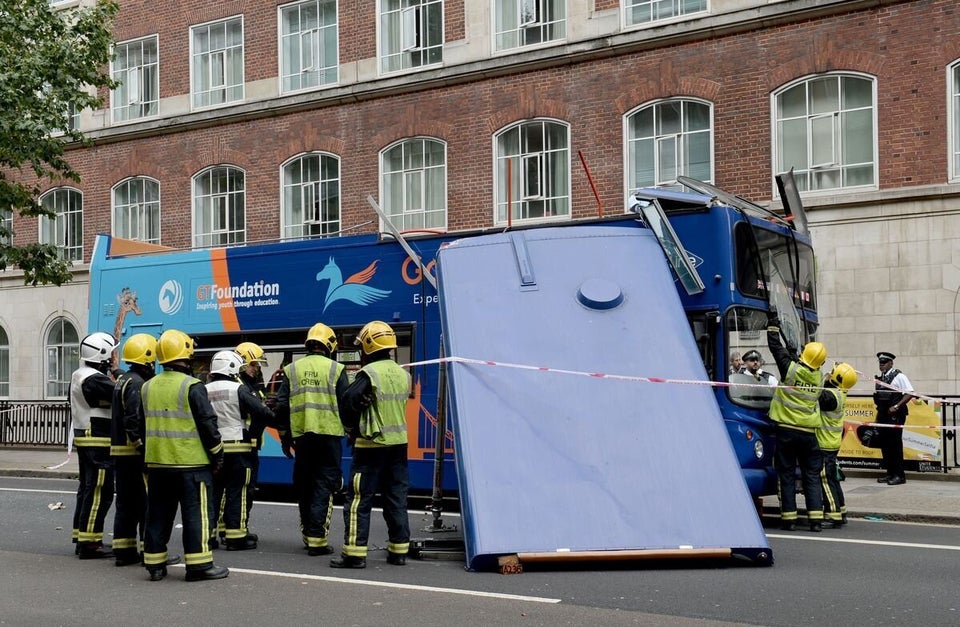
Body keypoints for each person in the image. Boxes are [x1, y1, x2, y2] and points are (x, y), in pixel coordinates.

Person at [141, 329, 228, 582]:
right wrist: (217, 454)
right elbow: (208, 424)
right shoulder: (193, 385)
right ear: (186, 354)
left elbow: (141, 424)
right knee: (196, 515)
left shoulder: (147, 387)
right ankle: (199, 566)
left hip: (157, 464)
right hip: (192, 465)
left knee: (157, 515)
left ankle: (155, 565)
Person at [331, 321, 412, 569]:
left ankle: (354, 554)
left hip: (370, 446)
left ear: (368, 345)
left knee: (359, 500)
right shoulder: (403, 373)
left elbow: (347, 402)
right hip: (398, 445)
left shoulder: (369, 374)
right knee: (396, 497)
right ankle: (399, 551)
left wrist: (351, 429)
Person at [274, 323, 349, 556]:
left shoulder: (291, 369)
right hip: (329, 437)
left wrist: (285, 437)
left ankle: (308, 533)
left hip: (302, 437)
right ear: (329, 345)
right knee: (324, 485)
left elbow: (282, 405)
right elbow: (346, 404)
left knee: (305, 484)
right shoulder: (337, 369)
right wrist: (351, 431)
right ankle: (317, 538)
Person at [206, 349, 274, 551]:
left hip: (215, 449)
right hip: (239, 448)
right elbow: (261, 412)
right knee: (238, 491)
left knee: (214, 493)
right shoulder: (238, 389)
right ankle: (236, 536)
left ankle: (210, 536)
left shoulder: (204, 389)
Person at [767, 316, 826, 532]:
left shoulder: (790, 370)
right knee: (811, 476)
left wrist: (773, 325)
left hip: (786, 432)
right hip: (809, 434)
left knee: (787, 474)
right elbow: (803, 367)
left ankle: (789, 519)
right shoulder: (819, 379)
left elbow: (775, 348)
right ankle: (816, 521)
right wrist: (795, 354)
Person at [110, 333, 158, 567]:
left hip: (120, 453)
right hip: (133, 454)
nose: (154, 366)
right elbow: (133, 419)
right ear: (146, 360)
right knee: (144, 503)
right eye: (152, 362)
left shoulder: (123, 380)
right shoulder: (137, 383)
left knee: (126, 504)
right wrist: (141, 447)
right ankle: (147, 549)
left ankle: (123, 550)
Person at [70, 331, 118, 559]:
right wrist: (118, 374)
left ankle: (82, 536)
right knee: (101, 490)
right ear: (103, 355)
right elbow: (121, 393)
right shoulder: (95, 379)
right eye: (111, 354)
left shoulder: (79, 374)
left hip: (85, 436)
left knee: (88, 488)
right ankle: (91, 543)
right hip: (98, 439)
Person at [233, 341, 275, 542]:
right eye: (253, 364)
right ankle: (237, 529)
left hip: (251, 445)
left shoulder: (251, 386)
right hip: (243, 446)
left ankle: (235, 527)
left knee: (243, 490)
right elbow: (259, 412)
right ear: (242, 363)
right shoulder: (240, 386)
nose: (257, 368)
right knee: (243, 491)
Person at [818, 362, 857, 528]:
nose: (830, 373)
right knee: (833, 479)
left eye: (833, 372)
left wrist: (820, 378)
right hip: (831, 443)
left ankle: (833, 515)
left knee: (825, 479)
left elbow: (814, 393)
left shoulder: (830, 396)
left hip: (824, 443)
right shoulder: (839, 393)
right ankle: (841, 510)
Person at [874, 352, 915, 486]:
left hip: (895, 415)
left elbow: (910, 392)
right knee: (886, 445)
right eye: (880, 363)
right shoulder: (881, 378)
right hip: (883, 414)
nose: (882, 365)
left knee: (895, 445)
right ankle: (890, 473)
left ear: (891, 363)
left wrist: (897, 406)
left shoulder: (899, 376)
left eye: (884, 362)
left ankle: (899, 475)